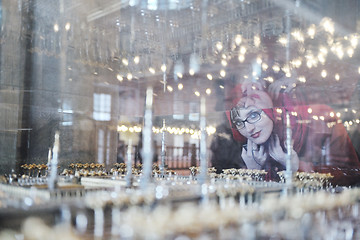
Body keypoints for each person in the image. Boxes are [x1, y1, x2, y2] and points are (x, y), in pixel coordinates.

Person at [227, 81, 360, 185]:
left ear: (272, 109)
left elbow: (351, 175)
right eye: (238, 122)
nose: (248, 129)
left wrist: (297, 167)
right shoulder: (247, 148)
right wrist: (255, 172)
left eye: (254, 115)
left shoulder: (319, 119)